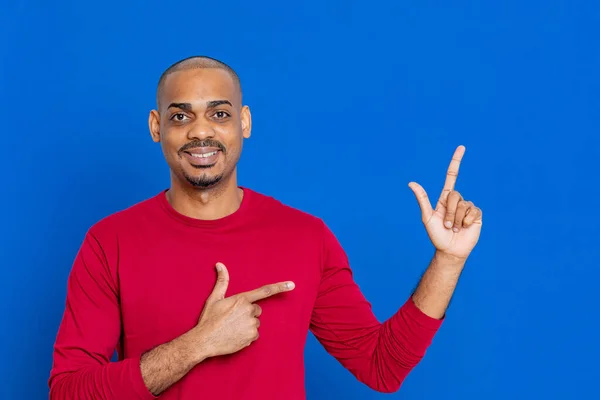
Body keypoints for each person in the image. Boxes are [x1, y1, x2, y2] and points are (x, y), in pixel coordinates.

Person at [48, 55, 483, 400]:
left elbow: (382, 366)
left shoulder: (305, 237)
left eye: (219, 114)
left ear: (244, 123)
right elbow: (68, 391)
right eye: (180, 117)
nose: (201, 131)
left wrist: (448, 260)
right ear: (156, 127)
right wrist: (196, 345)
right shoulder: (110, 242)